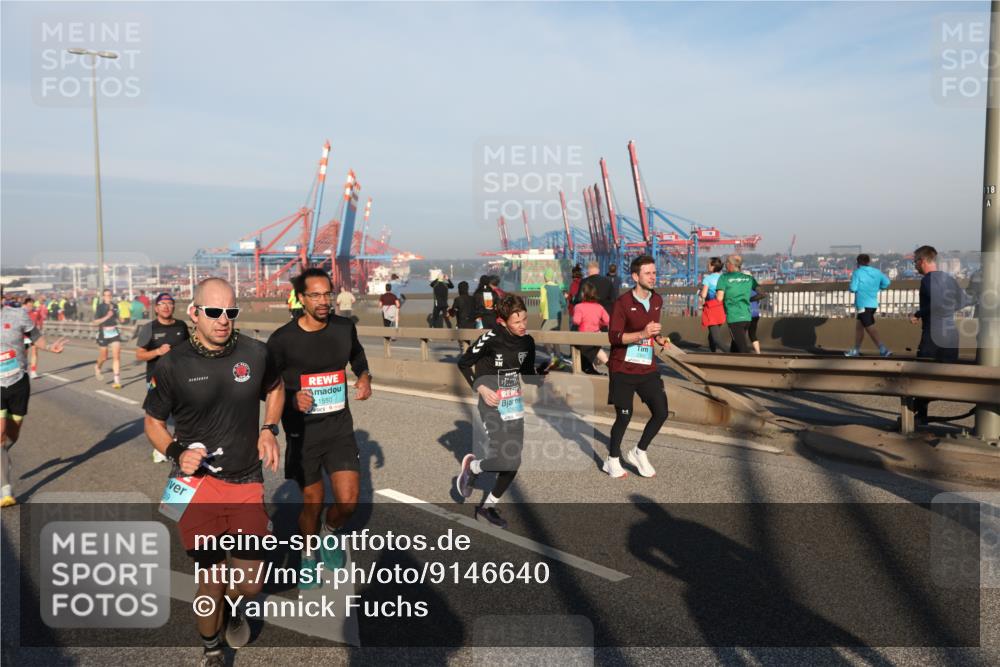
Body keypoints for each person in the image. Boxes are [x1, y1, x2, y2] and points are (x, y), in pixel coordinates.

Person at [143, 277, 283, 664]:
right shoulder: (173, 364)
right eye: (214, 312)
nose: (224, 320)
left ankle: (237, 608)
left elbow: (275, 388)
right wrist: (175, 450)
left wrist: (269, 428)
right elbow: (152, 422)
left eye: (231, 312)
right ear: (195, 313)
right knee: (211, 580)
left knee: (250, 583)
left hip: (245, 480)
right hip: (197, 486)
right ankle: (211, 651)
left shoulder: (255, 353)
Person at [267, 268, 372, 586]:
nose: (324, 300)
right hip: (303, 433)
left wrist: (364, 376)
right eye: (316, 295)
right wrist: (292, 398)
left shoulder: (343, 328)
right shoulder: (282, 340)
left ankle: (330, 532)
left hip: (338, 429)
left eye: (328, 293)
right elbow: (268, 386)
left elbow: (357, 355)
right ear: (301, 298)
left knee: (348, 502)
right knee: (313, 502)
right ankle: (308, 552)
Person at [455, 295, 542, 528]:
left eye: (525, 319)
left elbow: (527, 374)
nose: (523, 325)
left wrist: (541, 375)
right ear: (503, 322)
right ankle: (472, 467)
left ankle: (487, 506)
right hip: (491, 404)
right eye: (517, 321)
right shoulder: (490, 338)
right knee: (507, 458)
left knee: (514, 461)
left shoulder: (527, 341)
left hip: (513, 404)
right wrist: (481, 388)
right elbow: (463, 362)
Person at [604, 255, 670, 479]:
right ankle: (612, 460)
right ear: (635, 276)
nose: (653, 277)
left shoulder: (657, 300)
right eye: (648, 273)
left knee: (661, 412)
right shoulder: (622, 303)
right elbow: (614, 337)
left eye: (654, 272)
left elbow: (652, 329)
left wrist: (659, 338)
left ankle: (638, 451)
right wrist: (642, 334)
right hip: (623, 368)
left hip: (647, 367)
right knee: (624, 416)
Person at [1, 290, 66, 507]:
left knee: (11, 438)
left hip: (18, 381)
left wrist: (49, 347)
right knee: (0, 436)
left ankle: (2, 456)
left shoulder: (18, 315)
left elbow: (35, 336)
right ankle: (5, 489)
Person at [909, 245, 969, 424]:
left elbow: (937, 303)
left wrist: (918, 314)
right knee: (945, 376)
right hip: (951, 334)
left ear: (922, 261)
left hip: (933, 335)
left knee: (921, 375)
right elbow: (963, 301)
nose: (915, 266)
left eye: (915, 262)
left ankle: (919, 417)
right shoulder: (948, 278)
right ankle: (921, 415)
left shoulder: (927, 280)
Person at [135, 293, 190, 463]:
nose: (166, 306)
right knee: (159, 414)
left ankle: (180, 442)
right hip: (156, 379)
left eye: (169, 303)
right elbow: (139, 354)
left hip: (180, 377)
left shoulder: (181, 326)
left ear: (174, 306)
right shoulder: (149, 328)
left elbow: (189, 348)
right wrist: (158, 352)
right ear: (156, 308)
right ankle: (160, 447)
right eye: (162, 304)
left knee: (184, 411)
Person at [845, 254, 892, 357]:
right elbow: (887, 282)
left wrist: (851, 287)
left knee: (869, 327)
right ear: (868, 262)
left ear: (858, 262)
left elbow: (853, 288)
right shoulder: (877, 272)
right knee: (859, 327)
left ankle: (883, 350)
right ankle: (856, 350)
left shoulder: (857, 272)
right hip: (873, 304)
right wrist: (879, 288)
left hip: (862, 305)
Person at [715, 255, 758, 354]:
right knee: (735, 347)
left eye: (726, 263)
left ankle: (755, 367)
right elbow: (761, 293)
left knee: (743, 349)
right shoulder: (749, 278)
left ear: (731, 265)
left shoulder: (724, 278)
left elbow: (719, 298)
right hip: (747, 317)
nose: (725, 265)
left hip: (734, 317)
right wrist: (747, 299)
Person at [572, 281, 611, 372]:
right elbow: (607, 320)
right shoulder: (599, 307)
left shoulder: (579, 307)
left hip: (583, 337)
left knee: (585, 355)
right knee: (597, 351)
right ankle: (610, 366)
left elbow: (576, 321)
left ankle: (591, 369)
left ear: (583, 294)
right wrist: (599, 324)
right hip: (596, 335)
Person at [538, 268, 568, 371]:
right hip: (558, 314)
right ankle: (559, 357)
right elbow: (563, 302)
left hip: (549, 315)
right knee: (555, 337)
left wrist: (541, 311)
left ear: (546, 277)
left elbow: (542, 302)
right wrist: (563, 309)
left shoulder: (544, 287)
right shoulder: (557, 287)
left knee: (543, 335)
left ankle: (552, 357)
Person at [93, 289, 123, 389]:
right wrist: (107, 316)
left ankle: (117, 381)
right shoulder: (100, 307)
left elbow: (118, 318)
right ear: (103, 297)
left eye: (109, 295)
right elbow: (96, 322)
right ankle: (98, 367)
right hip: (103, 333)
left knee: (116, 356)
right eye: (106, 295)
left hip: (114, 332)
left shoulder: (115, 306)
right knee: (104, 357)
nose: (108, 297)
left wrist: (121, 319)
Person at [699, 257, 727, 353]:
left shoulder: (708, 278)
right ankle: (713, 354)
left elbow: (703, 294)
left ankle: (731, 352)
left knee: (716, 338)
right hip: (723, 308)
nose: (707, 265)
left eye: (709, 264)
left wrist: (700, 294)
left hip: (712, 309)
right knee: (711, 335)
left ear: (713, 266)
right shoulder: (724, 277)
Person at [22, 297, 44, 379]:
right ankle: (24, 370)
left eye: (32, 305)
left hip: (34, 335)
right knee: (25, 354)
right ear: (25, 305)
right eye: (29, 305)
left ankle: (33, 371)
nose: (30, 307)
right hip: (24, 335)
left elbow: (40, 320)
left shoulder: (36, 312)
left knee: (35, 352)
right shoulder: (21, 313)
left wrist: (40, 328)